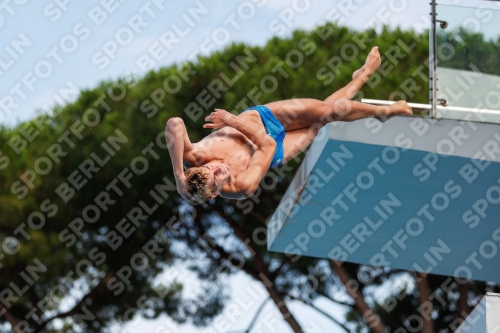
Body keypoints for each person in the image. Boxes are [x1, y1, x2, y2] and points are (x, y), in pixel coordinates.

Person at [166, 46, 412, 204]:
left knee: (330, 111)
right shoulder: (242, 187)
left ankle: (383, 110)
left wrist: (178, 175)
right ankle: (360, 78)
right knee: (323, 121)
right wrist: (231, 120)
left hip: (265, 118)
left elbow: (174, 124)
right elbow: (267, 144)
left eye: (212, 170)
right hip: (275, 149)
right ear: (216, 193)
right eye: (218, 179)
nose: (219, 169)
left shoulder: (194, 156)